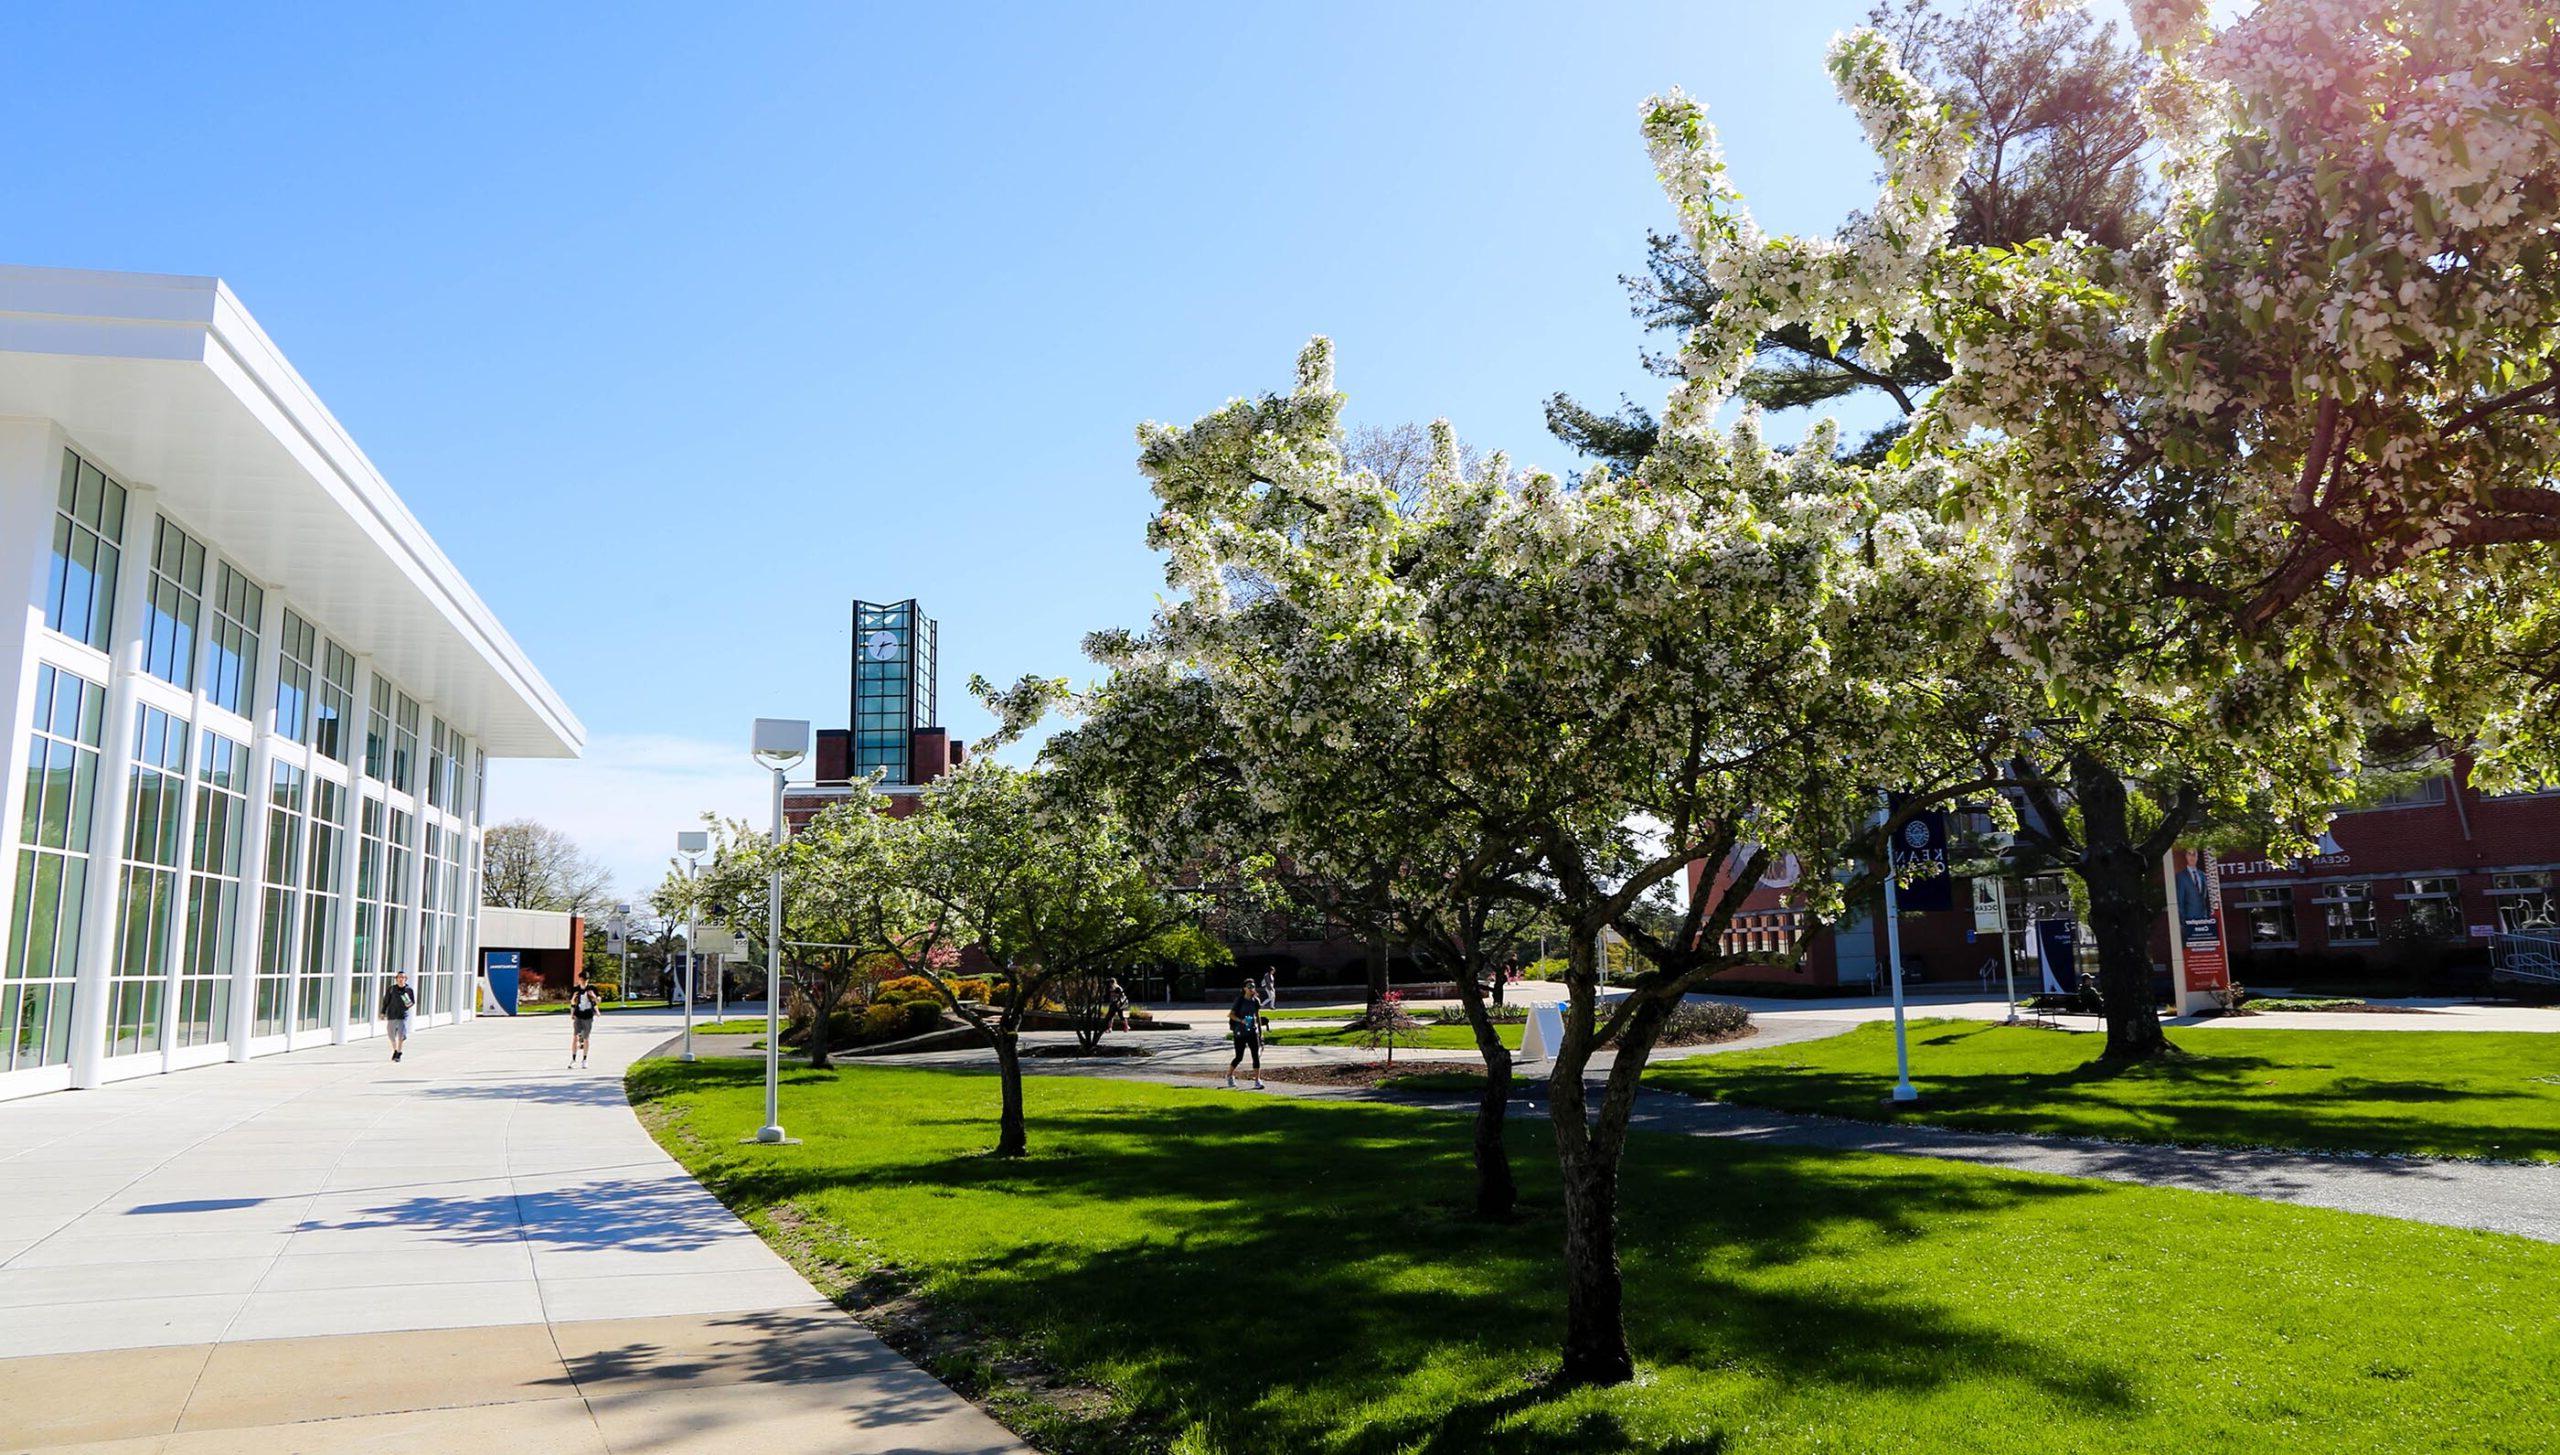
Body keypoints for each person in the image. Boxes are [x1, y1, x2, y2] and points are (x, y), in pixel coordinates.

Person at [1226, 981, 1264, 1090]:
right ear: (1244, 988)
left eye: (1253, 986)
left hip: (1252, 1031)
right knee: (1239, 1057)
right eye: (1249, 986)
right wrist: (1241, 1020)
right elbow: (1231, 1015)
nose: (1251, 988)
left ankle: (1257, 1080)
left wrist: (1261, 1033)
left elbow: (1257, 1016)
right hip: (1240, 1032)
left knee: (1255, 1056)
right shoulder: (1240, 1000)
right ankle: (1229, 1075)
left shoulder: (1255, 1001)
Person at [379, 971, 416, 1063]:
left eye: (403, 977)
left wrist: (407, 1001)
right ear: (396, 979)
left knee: (400, 1035)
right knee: (391, 1035)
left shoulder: (409, 990)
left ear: (405, 979)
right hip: (391, 1014)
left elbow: (412, 1002)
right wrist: (383, 1012)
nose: (401, 979)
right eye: (399, 977)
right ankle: (395, 1049)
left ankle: (399, 1052)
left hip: (402, 1015)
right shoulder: (391, 989)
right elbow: (386, 1001)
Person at [569, 977, 602, 1068]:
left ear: (587, 980)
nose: (583, 982)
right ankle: (573, 1059)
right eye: (582, 980)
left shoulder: (592, 988)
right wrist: (572, 1013)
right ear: (579, 980)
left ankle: (584, 1060)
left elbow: (598, 1001)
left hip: (588, 1016)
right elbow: (572, 1003)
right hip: (578, 1015)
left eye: (585, 980)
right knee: (575, 1037)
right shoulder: (575, 989)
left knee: (586, 1038)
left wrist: (594, 997)